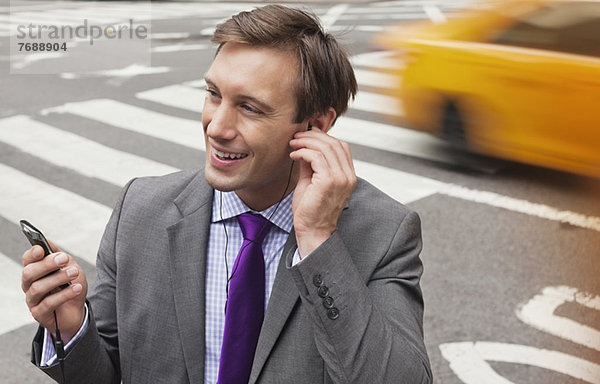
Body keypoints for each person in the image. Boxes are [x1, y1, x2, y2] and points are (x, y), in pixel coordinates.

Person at [21, 5, 431, 383]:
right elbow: (105, 372)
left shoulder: (384, 232)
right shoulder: (139, 210)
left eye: (250, 107)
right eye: (214, 94)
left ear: (315, 127)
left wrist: (318, 239)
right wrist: (73, 328)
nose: (216, 126)